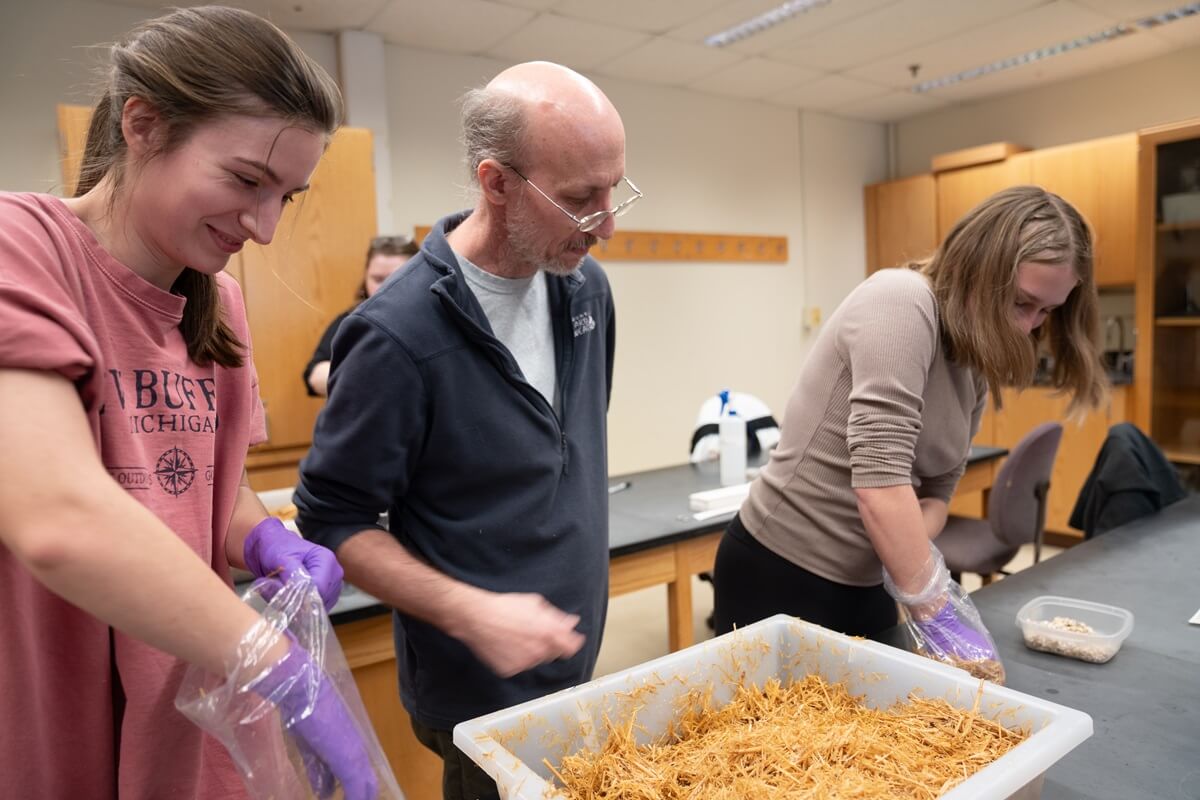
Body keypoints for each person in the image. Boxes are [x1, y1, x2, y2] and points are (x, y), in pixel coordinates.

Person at [0, 7, 378, 799]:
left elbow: (212, 489)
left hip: (184, 722)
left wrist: (267, 541)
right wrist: (283, 671)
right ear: (143, 124)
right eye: (246, 181)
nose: (265, 227)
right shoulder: (22, 249)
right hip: (49, 724)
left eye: (288, 196)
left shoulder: (221, 310)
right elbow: (56, 519)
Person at [295, 60, 636, 800]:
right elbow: (330, 519)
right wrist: (470, 610)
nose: (606, 225)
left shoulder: (587, 289)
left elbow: (565, 450)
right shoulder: (395, 336)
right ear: (497, 181)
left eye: (614, 191)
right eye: (581, 199)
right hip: (474, 686)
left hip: (570, 656)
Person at [713, 186, 1108, 658]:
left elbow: (940, 487)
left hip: (871, 581)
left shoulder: (974, 357)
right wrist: (935, 606)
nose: (1029, 327)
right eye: (1023, 304)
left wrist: (904, 551)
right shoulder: (901, 301)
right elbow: (880, 484)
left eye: (1046, 312)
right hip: (782, 572)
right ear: (980, 270)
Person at [303, 234, 418, 396]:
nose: (385, 287)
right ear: (365, 278)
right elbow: (315, 376)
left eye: (396, 278)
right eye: (377, 279)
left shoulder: (436, 320)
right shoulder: (351, 321)